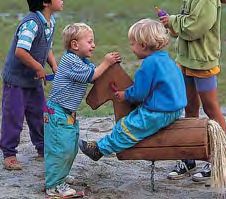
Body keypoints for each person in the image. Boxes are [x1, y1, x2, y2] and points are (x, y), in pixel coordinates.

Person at [159, 0, 226, 182]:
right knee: (189, 108)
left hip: (203, 60)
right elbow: (189, 20)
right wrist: (175, 22)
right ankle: (189, 158)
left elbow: (199, 23)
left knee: (211, 109)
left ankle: (220, 159)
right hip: (187, 59)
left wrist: (174, 22)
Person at [79, 18, 187, 161]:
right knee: (135, 116)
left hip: (160, 111)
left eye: (132, 44)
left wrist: (125, 95)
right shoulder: (166, 59)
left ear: (142, 45)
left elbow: (139, 93)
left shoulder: (148, 65)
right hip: (176, 108)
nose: (131, 47)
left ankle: (99, 149)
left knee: (126, 126)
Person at [44, 22, 121, 197]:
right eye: (90, 41)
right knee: (60, 149)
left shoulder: (81, 61)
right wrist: (107, 62)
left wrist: (108, 68)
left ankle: (60, 176)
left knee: (70, 148)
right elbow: (91, 75)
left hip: (67, 114)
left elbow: (94, 75)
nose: (93, 45)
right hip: (57, 113)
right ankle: (54, 186)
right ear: (75, 45)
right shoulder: (70, 60)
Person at [0, 0, 63, 170]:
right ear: (45, 2)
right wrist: (38, 67)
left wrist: (53, 65)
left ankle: (43, 147)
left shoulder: (49, 21)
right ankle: (9, 153)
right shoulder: (31, 24)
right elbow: (20, 51)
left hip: (33, 80)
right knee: (14, 115)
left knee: (40, 113)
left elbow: (46, 47)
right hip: (17, 81)